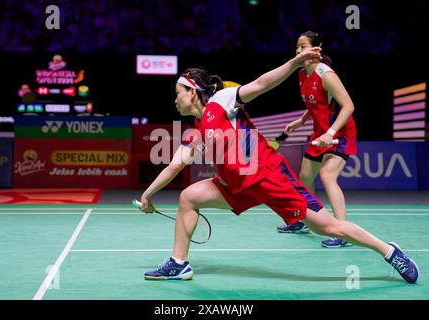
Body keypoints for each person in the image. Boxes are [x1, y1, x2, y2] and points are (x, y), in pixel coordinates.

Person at [137, 47, 419, 284]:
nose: (175, 99)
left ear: (192, 91)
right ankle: (179, 263)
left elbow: (261, 84)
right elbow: (174, 166)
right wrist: (148, 195)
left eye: (178, 92)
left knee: (329, 227)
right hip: (237, 185)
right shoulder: (195, 130)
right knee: (188, 197)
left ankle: (389, 252)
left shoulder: (221, 102)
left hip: (268, 177)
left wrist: (295, 62)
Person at [276, 31, 357, 248]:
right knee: (304, 178)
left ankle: (342, 232)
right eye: (297, 47)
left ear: (316, 49)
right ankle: (302, 219)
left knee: (328, 176)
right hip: (319, 134)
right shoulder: (302, 74)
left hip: (339, 134)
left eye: (303, 46)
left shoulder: (326, 74)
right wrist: (300, 122)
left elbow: (348, 106)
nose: (298, 51)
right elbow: (316, 104)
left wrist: (330, 133)